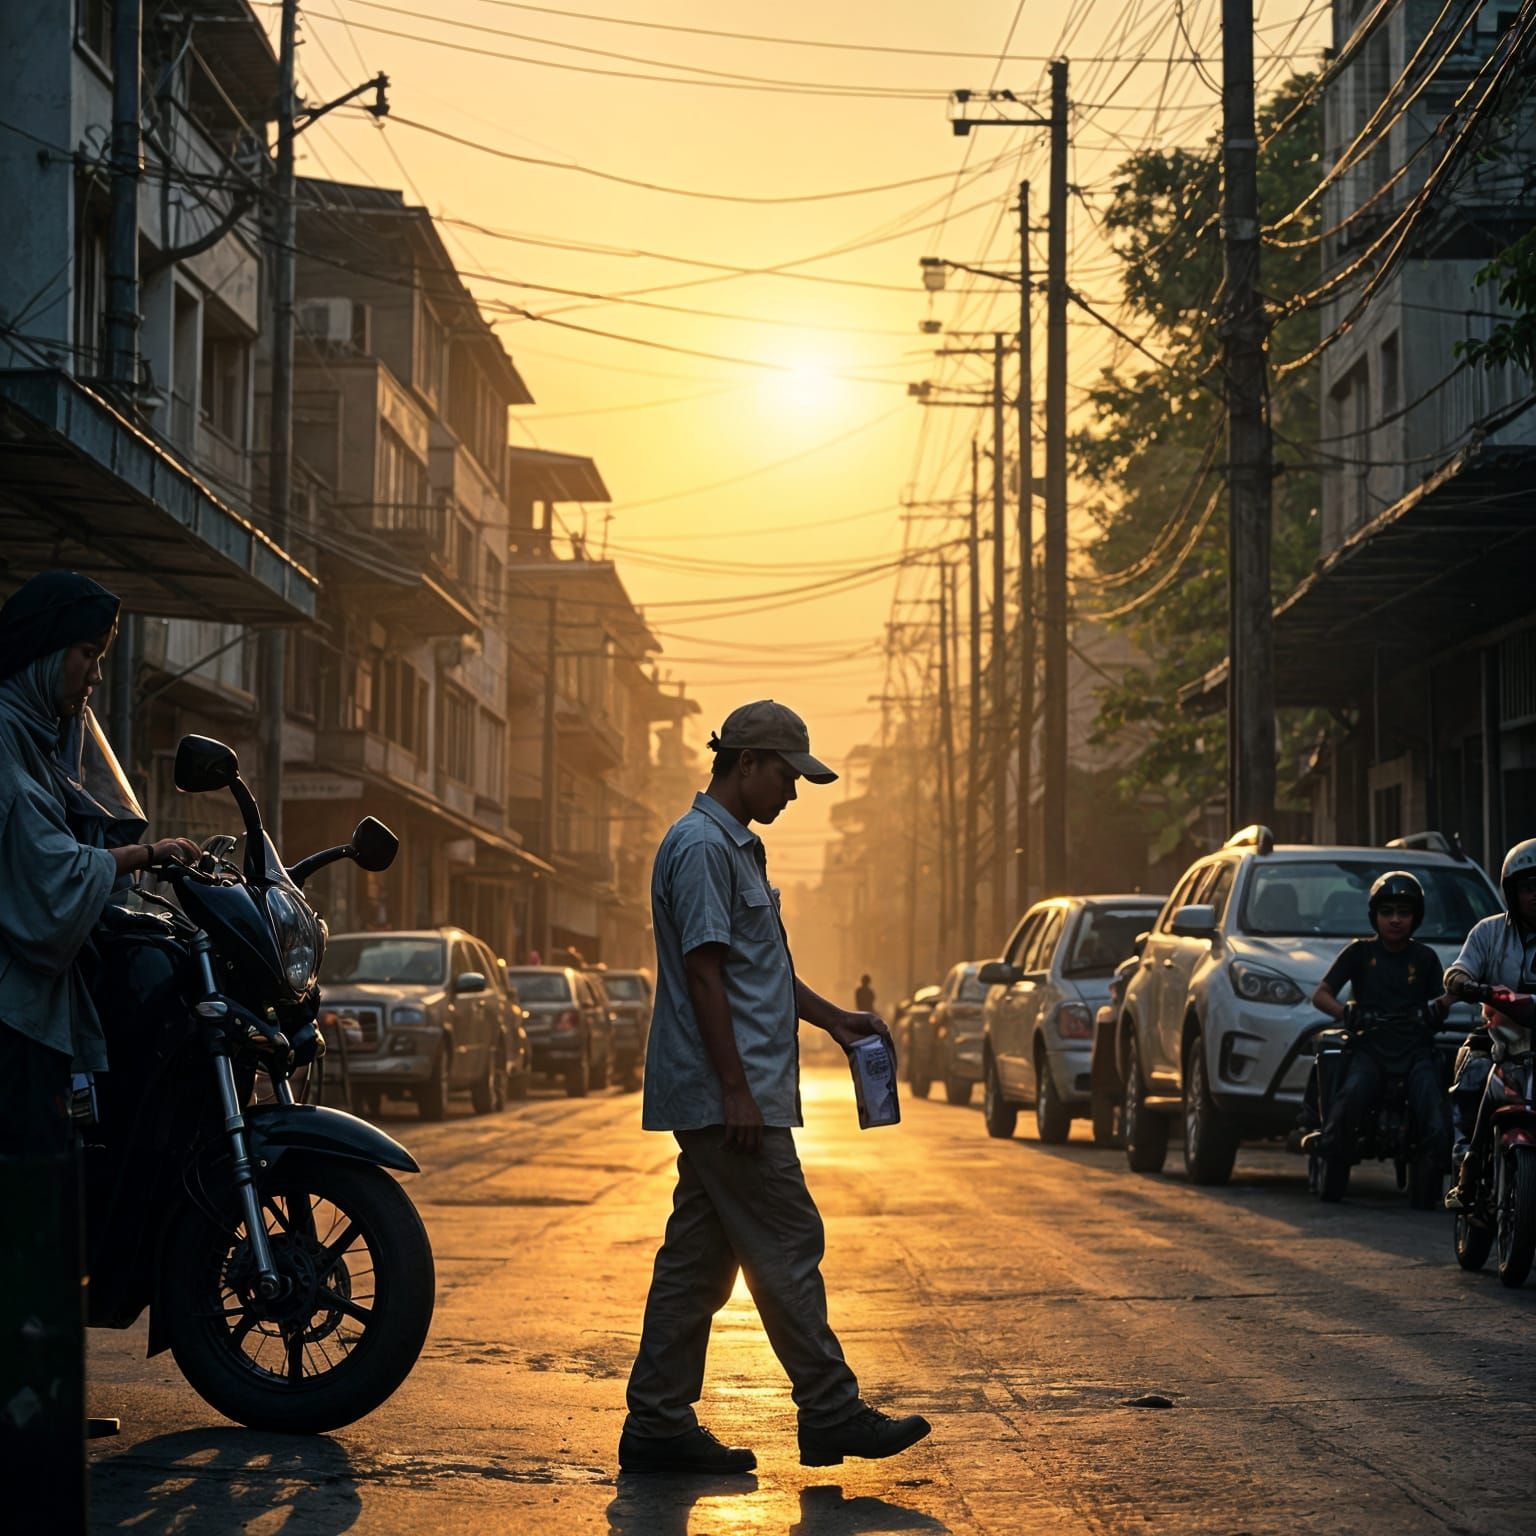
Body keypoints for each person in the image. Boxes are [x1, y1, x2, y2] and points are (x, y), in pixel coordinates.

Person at [619, 700, 931, 1476]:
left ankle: (658, 1421)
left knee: (697, 1261)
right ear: (747, 762)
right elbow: (704, 971)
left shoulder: (737, 849)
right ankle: (830, 1411)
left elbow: (763, 974)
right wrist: (734, 1090)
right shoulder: (699, 848)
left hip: (737, 1093)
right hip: (728, 1098)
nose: (793, 793)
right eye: (787, 776)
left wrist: (836, 1020)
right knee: (788, 1242)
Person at [0, 572, 199, 1156]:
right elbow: (49, 874)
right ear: (45, 653)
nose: (96, 675)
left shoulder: (37, 739)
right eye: (87, 654)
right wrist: (145, 854)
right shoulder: (6, 736)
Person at [1302, 871, 1449, 1168]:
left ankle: (1443, 1165)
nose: (1395, 920)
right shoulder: (1359, 952)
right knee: (1352, 1094)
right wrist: (1347, 1013)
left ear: (1416, 917)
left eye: (1404, 913)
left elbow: (1443, 999)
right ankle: (1331, 1145)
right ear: (1375, 917)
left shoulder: (1426, 958)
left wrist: (1437, 1009)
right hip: (1369, 1050)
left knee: (1434, 1106)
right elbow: (1321, 994)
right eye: (1387, 912)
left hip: (1415, 1051)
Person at [1443, 838, 1536, 1211]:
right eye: (1529, 888)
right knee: (1473, 1070)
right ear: (1512, 892)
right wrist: (1464, 982)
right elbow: (1460, 968)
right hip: (1504, 1045)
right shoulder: (1488, 932)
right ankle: (1468, 1163)